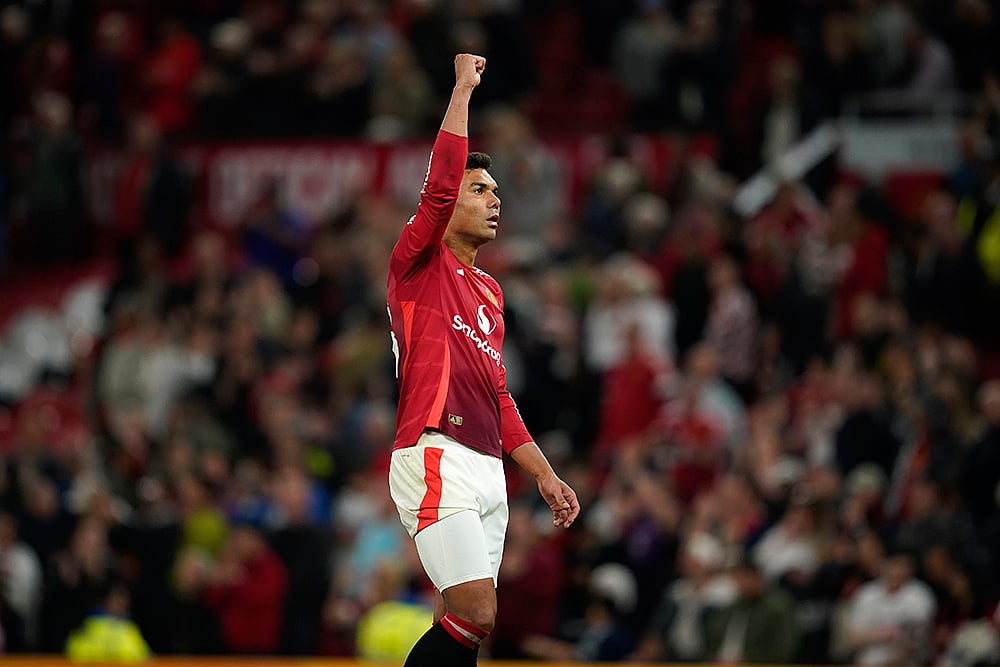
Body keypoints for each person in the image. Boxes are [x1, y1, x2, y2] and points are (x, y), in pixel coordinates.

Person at [385, 53, 581, 667]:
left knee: (469, 629)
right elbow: (440, 183)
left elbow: (499, 394)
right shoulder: (419, 264)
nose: (494, 200)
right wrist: (463, 90)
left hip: (489, 466)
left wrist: (544, 473)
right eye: (479, 190)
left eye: (496, 191)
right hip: (435, 448)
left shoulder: (492, 293)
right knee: (476, 611)